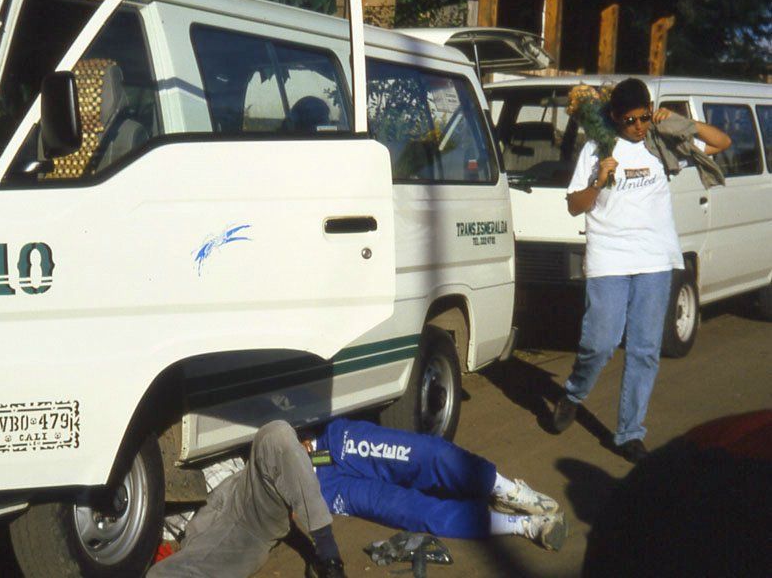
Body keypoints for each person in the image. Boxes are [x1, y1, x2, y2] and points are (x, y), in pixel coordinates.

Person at [555, 78, 732, 462]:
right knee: (600, 343)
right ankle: (573, 393)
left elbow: (722, 142)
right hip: (609, 259)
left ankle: (629, 433)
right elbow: (574, 206)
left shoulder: (662, 141)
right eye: (630, 120)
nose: (638, 126)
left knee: (645, 349)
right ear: (614, 117)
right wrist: (599, 182)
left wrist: (683, 122)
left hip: (655, 259)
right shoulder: (597, 148)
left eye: (644, 117)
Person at [310, 418, 566, 550]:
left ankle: (505, 490)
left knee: (428, 455)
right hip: (319, 490)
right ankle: (523, 525)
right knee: (411, 512)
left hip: (322, 445)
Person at [148, 420, 347, 578]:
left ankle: (328, 557)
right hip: (217, 526)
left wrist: (293, 455)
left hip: (244, 489)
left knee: (277, 434)